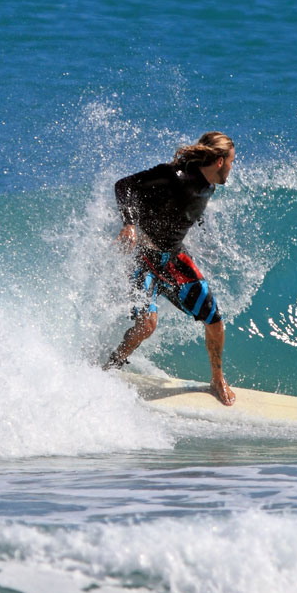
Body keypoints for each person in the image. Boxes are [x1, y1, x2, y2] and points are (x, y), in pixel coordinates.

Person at [103, 131, 237, 406]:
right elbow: (124, 185)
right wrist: (128, 223)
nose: (233, 168)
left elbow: (185, 213)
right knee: (146, 326)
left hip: (175, 260)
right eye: (233, 161)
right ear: (221, 161)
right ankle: (108, 369)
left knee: (214, 321)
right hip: (146, 260)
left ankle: (217, 379)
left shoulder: (209, 185)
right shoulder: (174, 176)